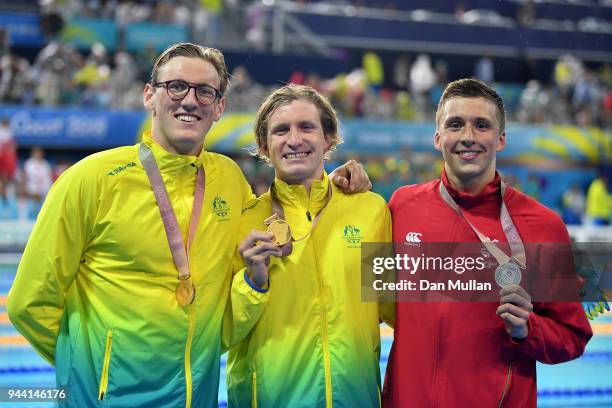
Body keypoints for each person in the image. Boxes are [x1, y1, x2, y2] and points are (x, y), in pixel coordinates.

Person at [7, 42, 369, 408]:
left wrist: (338, 185)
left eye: (205, 91)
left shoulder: (229, 180)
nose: (190, 100)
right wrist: (91, 375)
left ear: (219, 107)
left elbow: (292, 210)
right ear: (149, 95)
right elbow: (29, 303)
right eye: (176, 86)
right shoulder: (91, 179)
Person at [382, 78, 592, 407]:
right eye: (455, 125)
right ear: (438, 137)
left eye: (482, 125)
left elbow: (574, 336)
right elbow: (368, 305)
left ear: (501, 138)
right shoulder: (401, 207)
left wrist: (529, 329)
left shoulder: (543, 225)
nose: (468, 137)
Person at [225, 84, 394, 407]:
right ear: (264, 144)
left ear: (328, 138)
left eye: (306, 127)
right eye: (281, 130)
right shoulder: (242, 221)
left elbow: (391, 307)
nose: (294, 139)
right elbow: (222, 333)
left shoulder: (370, 210)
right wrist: (252, 284)